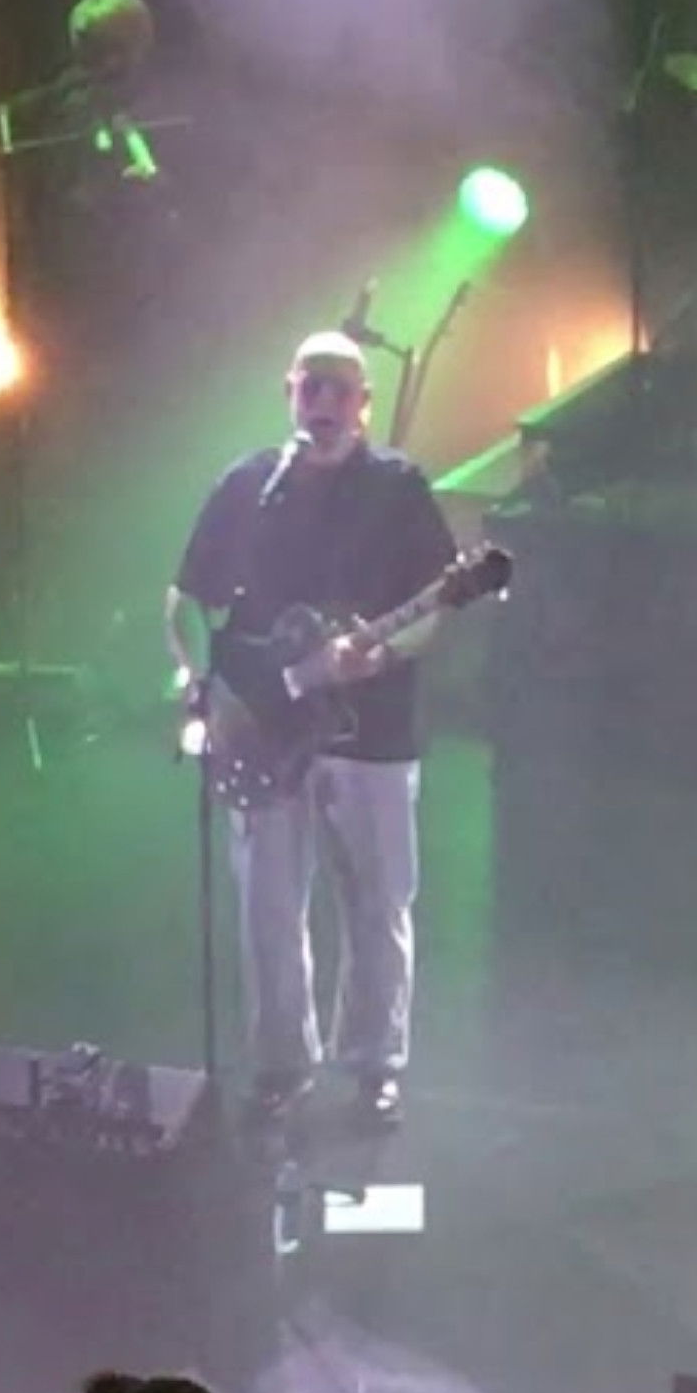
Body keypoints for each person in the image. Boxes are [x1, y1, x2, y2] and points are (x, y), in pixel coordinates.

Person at [167, 332, 458, 1125]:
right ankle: (279, 1067)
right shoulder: (249, 484)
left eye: (341, 391)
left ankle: (375, 1065)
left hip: (373, 729)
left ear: (365, 404)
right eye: (311, 389)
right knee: (268, 902)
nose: (324, 405)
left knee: (379, 902)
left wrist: (382, 651)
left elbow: (434, 607)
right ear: (288, 393)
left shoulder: (399, 488)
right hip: (261, 724)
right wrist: (203, 687)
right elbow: (188, 600)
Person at [0, 0, 168, 660]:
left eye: (115, 49)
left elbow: (191, 216)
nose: (102, 64)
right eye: (91, 50)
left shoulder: (155, 110)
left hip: (119, 331)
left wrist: (148, 198)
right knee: (12, 456)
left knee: (100, 469)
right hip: (43, 317)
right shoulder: (62, 102)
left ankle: (102, 616)